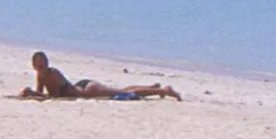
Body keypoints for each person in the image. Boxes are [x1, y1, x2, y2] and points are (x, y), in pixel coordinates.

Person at [17, 51, 181, 100]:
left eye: (43, 64)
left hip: (89, 90)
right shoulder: (40, 76)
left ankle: (164, 91)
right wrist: (31, 93)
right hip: (81, 87)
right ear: (34, 66)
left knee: (123, 93)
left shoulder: (53, 73)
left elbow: (53, 96)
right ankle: (153, 88)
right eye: (38, 66)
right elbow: (43, 94)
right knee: (122, 90)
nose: (41, 67)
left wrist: (31, 94)